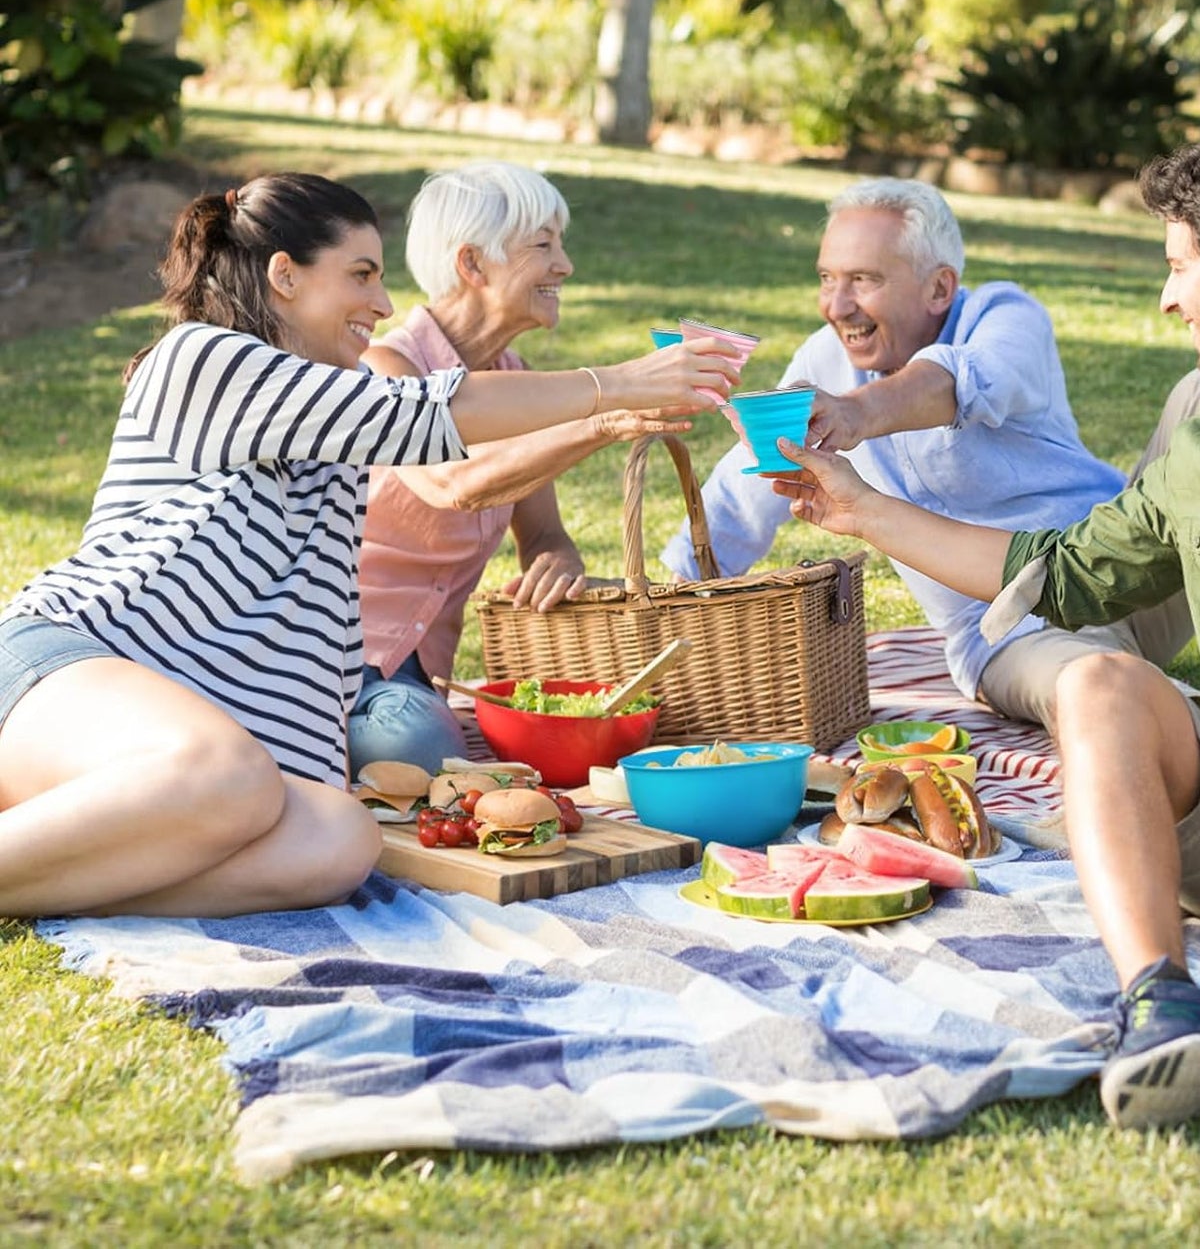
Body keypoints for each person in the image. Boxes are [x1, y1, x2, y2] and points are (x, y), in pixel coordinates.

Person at [769, 128, 1200, 1129]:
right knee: (1093, 681)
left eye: (1177, 267)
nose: (1166, 296)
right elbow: (1064, 571)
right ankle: (1158, 1001)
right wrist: (857, 508)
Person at [0, 173, 740, 920]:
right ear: (284, 275)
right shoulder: (201, 359)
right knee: (232, 775)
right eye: (360, 274)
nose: (383, 304)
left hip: (178, 762)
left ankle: (53, 867)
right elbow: (424, 413)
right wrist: (614, 384)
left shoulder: (336, 456)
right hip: (64, 672)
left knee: (338, 836)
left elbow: (318, 660)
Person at [661, 176, 1200, 731]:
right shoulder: (822, 363)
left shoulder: (1006, 317)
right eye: (827, 278)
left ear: (939, 287)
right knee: (1104, 695)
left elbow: (961, 381)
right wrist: (667, 599)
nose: (837, 305)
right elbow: (745, 491)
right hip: (1012, 632)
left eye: (863, 279)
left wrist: (856, 412)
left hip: (1129, 565)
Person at [349, 161, 693, 774]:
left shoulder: (515, 377)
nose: (565, 265)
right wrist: (604, 419)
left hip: (423, 671)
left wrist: (556, 559)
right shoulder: (386, 369)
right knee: (420, 755)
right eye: (543, 245)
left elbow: (542, 534)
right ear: (472, 264)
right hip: (345, 656)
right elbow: (452, 482)